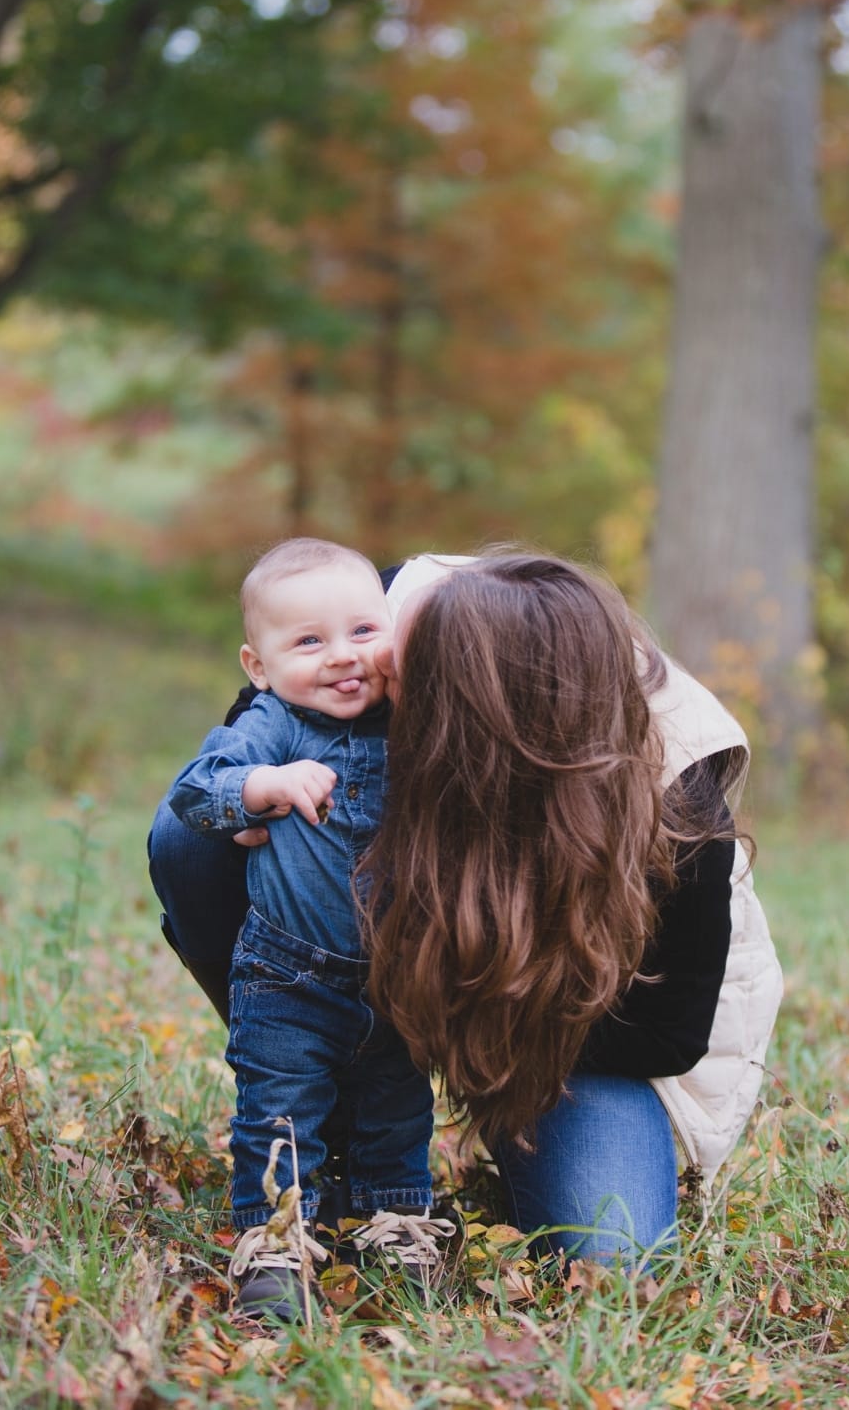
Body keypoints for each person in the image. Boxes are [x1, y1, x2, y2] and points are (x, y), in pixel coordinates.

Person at [149, 548, 781, 1280]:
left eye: (397, 686)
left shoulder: (675, 780)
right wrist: (261, 790)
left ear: (482, 729)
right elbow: (270, 698)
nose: (370, 673)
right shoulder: (393, 613)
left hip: (569, 1015)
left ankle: (405, 1079)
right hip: (376, 958)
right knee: (186, 837)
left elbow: (668, 1032)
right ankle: (317, 1075)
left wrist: (457, 1001)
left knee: (615, 1252)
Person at [164, 538, 453, 1323]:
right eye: (308, 642)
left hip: (397, 972)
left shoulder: (412, 720)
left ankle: (395, 1225)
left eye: (363, 631)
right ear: (258, 665)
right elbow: (195, 792)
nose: (342, 658)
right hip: (289, 975)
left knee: (398, 1109)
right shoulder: (275, 725)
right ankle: (275, 1244)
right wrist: (266, 787)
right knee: (280, 1111)